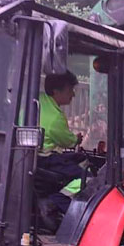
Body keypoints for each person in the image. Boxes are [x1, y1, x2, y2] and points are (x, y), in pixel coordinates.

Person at [36, 72, 87, 225]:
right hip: (46, 160)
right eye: (70, 89)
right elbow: (68, 142)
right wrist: (76, 139)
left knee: (80, 159)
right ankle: (55, 201)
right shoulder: (55, 118)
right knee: (88, 178)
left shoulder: (39, 100)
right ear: (56, 92)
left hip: (33, 155)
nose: (73, 94)